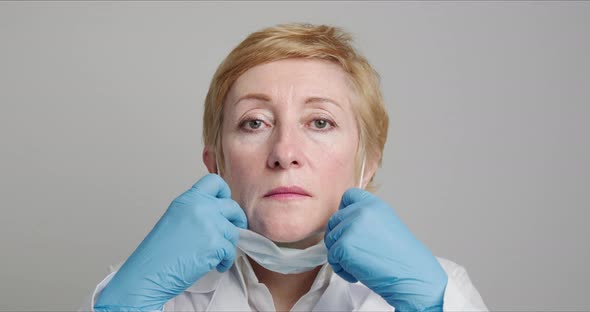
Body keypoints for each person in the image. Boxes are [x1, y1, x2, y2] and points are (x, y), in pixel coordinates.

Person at [81, 23, 488, 311]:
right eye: (254, 122)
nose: (284, 152)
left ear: (367, 164)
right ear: (216, 165)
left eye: (320, 122)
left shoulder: (440, 288)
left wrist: (434, 307)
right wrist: (124, 306)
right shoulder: (144, 289)